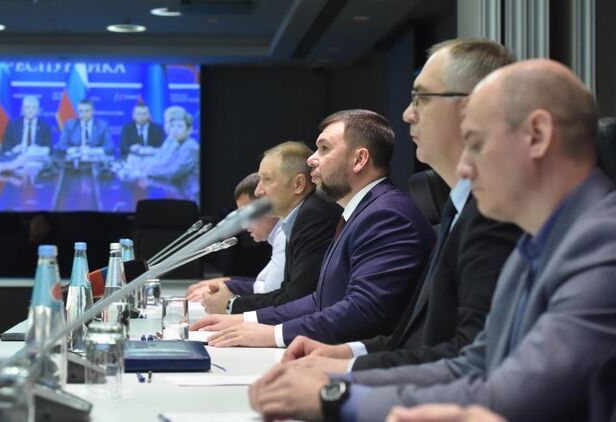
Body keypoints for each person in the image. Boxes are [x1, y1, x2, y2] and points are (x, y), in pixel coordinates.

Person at [248, 59, 616, 421]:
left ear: (537, 135)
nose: (464, 167)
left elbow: (519, 396)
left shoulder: (610, 242)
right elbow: (472, 365)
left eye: (476, 144)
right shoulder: (535, 245)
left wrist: (335, 397)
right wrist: (335, 380)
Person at [279, 39, 521, 374]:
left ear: (473, 107)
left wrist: (340, 382)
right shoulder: (456, 210)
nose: (408, 113)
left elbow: (469, 357)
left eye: (421, 98)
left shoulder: (495, 217)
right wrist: (347, 355)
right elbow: (418, 338)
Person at [192, 110, 435, 347]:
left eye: (324, 148)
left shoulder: (385, 215)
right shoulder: (361, 213)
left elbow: (364, 310)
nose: (311, 160)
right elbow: (322, 299)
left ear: (359, 160)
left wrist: (273, 334)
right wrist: (247, 319)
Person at [197, 143, 341, 315]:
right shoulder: (299, 215)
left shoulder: (313, 214)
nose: (258, 191)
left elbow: (298, 299)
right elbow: (288, 292)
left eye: (267, 179)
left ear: (298, 184)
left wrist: (231, 305)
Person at [186, 172, 285, 302]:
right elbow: (264, 284)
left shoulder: (285, 236)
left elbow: (271, 294)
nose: (243, 224)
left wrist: (229, 290)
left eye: (247, 214)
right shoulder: (279, 236)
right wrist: (227, 281)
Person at [138, 106, 201, 201]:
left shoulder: (190, 146)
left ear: (189, 130)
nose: (175, 130)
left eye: (179, 126)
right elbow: (161, 160)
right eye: (172, 126)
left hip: (190, 197)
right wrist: (143, 165)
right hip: (177, 193)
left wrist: (147, 171)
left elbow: (172, 172)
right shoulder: (174, 141)